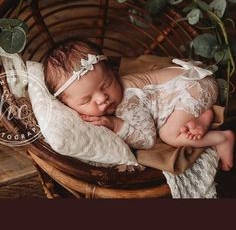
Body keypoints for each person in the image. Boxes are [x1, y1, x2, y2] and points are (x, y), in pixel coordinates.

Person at [43, 39, 235, 171]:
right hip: (192, 84)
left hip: (195, 88)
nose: (102, 98)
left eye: (107, 84)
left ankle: (221, 138)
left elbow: (147, 139)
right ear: (64, 103)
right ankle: (203, 116)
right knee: (176, 122)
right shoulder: (108, 94)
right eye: (86, 100)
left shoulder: (128, 101)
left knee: (169, 134)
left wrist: (116, 125)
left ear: (112, 72)